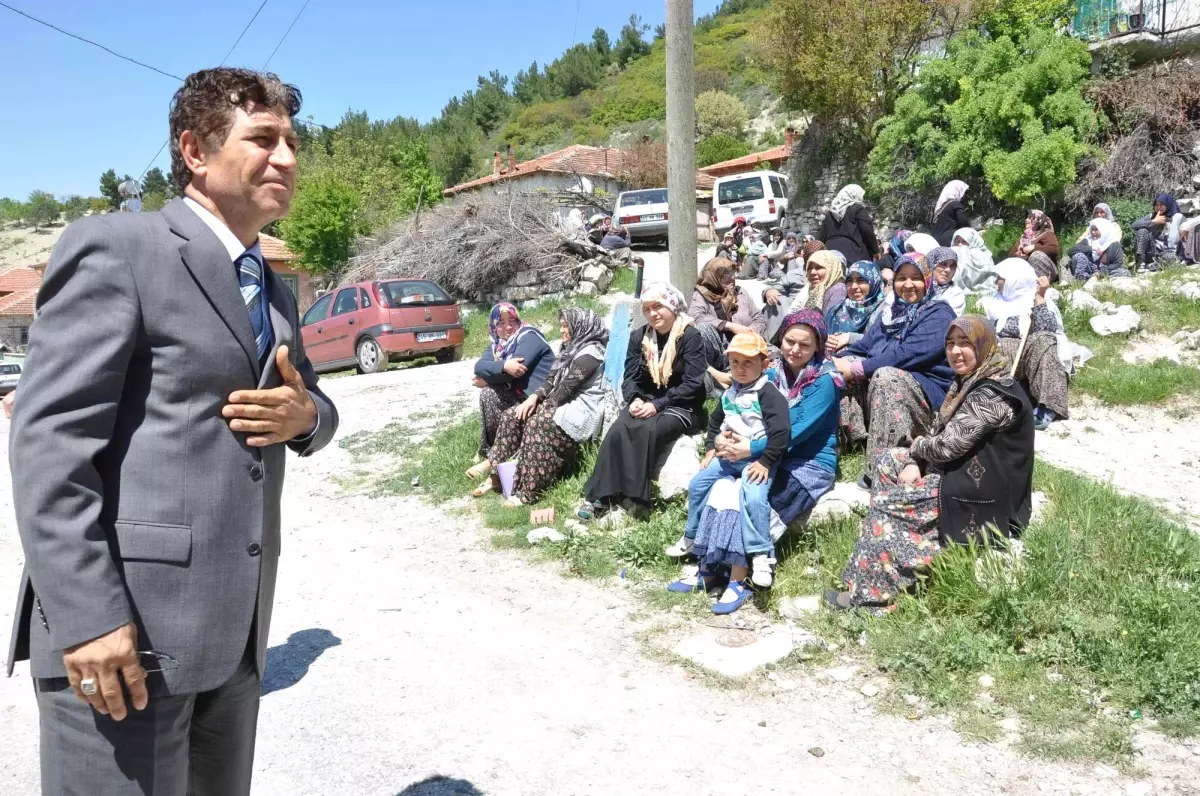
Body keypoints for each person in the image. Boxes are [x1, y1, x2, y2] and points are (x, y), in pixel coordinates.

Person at [6, 67, 340, 795]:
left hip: (235, 634)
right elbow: (49, 447)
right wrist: (89, 620)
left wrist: (308, 416)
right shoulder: (120, 248)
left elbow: (310, 399)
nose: (287, 156)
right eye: (262, 138)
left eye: (291, 140)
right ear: (194, 150)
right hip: (124, 641)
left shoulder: (270, 284)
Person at [825, 316, 1034, 611]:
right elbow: (939, 431)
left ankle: (873, 596)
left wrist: (917, 451)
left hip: (985, 492)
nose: (955, 351)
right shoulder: (970, 381)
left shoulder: (994, 394)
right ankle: (890, 566)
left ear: (984, 346)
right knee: (888, 462)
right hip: (961, 470)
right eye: (950, 344)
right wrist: (915, 459)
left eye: (965, 343)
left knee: (889, 502)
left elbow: (949, 444)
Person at [668, 310, 842, 602]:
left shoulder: (824, 382)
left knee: (752, 499)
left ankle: (740, 577)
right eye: (789, 341)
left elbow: (795, 432)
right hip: (767, 453)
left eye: (805, 345)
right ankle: (708, 568)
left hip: (807, 463)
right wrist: (724, 440)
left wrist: (748, 449)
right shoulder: (771, 373)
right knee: (717, 488)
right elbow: (738, 412)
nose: (795, 350)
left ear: (818, 347)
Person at [665, 331, 790, 614]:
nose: (740, 368)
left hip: (757, 459)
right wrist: (711, 447)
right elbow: (716, 419)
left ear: (764, 362)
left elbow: (781, 433)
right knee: (698, 484)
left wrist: (766, 461)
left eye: (748, 362)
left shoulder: (768, 393)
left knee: (754, 495)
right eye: (734, 362)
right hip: (727, 457)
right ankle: (692, 536)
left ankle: (760, 554)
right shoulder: (732, 390)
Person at [579, 283, 706, 520]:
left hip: (683, 404)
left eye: (658, 307)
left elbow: (694, 383)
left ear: (672, 306)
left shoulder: (690, 336)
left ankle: (633, 498)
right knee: (619, 428)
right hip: (647, 400)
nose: (652, 314)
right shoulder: (640, 337)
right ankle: (600, 495)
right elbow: (630, 378)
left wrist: (658, 405)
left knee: (648, 429)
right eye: (647, 309)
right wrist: (634, 398)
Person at [832, 253, 956, 486]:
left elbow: (906, 355)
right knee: (839, 371)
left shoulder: (938, 313)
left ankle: (886, 466)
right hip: (887, 386)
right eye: (901, 278)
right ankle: (846, 442)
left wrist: (857, 367)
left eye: (916, 278)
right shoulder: (892, 312)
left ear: (928, 280)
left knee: (885, 376)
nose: (908, 285)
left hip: (929, 395)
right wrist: (837, 361)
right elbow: (864, 346)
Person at [471, 308, 608, 506]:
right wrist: (534, 398)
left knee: (536, 424)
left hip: (579, 410)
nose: (562, 330)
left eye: (566, 326)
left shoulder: (591, 353)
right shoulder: (569, 348)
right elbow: (551, 379)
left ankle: (528, 491)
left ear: (581, 326)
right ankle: (498, 472)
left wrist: (542, 407)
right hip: (561, 403)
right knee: (513, 415)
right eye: (561, 325)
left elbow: (566, 389)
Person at [469, 303, 555, 485]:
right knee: (488, 395)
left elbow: (517, 370)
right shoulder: (497, 346)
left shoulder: (529, 337)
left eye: (512, 321)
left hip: (538, 397)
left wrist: (490, 376)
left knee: (488, 389)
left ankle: (501, 456)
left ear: (519, 321)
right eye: (501, 323)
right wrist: (503, 365)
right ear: (493, 326)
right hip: (517, 395)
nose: (507, 327)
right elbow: (479, 366)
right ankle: (495, 449)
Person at [985, 258, 1070, 430]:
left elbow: (1047, 331)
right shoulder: (997, 301)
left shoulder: (1035, 300)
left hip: (1029, 360)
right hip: (1003, 362)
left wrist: (1040, 296)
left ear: (1013, 280)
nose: (996, 283)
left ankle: (1049, 407)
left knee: (1043, 341)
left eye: (999, 278)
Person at [690, 257, 766, 393]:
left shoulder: (741, 292)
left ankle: (730, 379)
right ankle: (718, 375)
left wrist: (751, 332)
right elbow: (696, 317)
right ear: (713, 276)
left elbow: (759, 317)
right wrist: (730, 326)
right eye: (725, 274)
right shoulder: (702, 294)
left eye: (732, 273)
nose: (731, 277)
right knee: (702, 329)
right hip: (721, 349)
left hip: (747, 346)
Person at [826, 260, 887, 355]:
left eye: (861, 280)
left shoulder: (885, 309)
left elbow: (884, 342)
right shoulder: (837, 311)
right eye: (849, 281)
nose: (853, 286)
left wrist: (849, 338)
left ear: (873, 281)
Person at [818, 184, 880, 264]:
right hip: (853, 254)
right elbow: (867, 230)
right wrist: (875, 250)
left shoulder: (829, 214)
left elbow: (821, 237)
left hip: (830, 256)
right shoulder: (858, 209)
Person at [1132, 193, 1184, 272]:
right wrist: (1153, 221)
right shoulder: (1152, 216)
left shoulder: (1178, 217)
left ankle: (1153, 265)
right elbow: (1134, 225)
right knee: (1142, 231)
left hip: (1169, 253)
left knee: (1170, 258)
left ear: (1168, 204)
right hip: (1153, 252)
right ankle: (1141, 263)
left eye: (1161, 205)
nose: (1158, 207)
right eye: (1156, 205)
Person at [951, 227, 997, 294]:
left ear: (972, 241)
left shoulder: (982, 255)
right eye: (957, 241)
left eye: (964, 241)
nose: (960, 245)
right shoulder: (955, 252)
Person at [803, 249, 847, 315]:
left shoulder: (838, 290)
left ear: (831, 268)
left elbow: (830, 323)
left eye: (818, 267)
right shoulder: (816, 289)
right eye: (809, 268)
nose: (812, 272)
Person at [930, 180, 971, 246]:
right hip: (949, 241)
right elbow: (964, 224)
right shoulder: (955, 205)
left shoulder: (941, 208)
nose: (966, 196)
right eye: (965, 193)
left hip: (935, 241)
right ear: (958, 191)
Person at [927, 247, 967, 315]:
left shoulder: (956, 294)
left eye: (952, 266)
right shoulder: (921, 287)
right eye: (943, 264)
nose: (948, 270)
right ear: (932, 265)